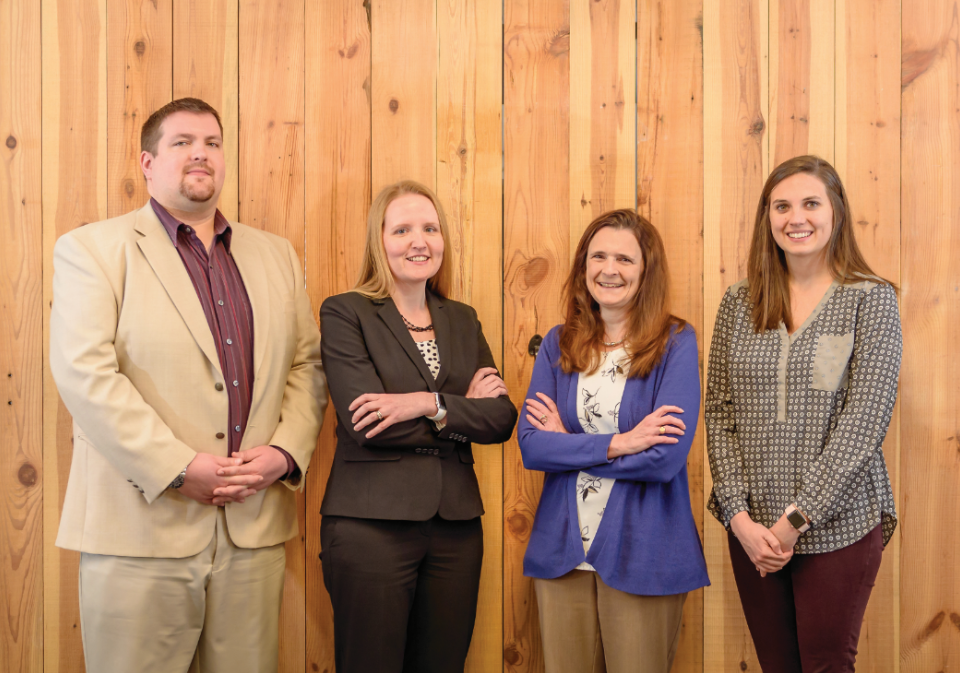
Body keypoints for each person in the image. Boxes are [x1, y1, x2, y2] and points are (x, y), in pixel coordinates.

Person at [49, 98, 327, 673]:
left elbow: (307, 366)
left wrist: (283, 453)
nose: (200, 153)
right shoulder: (93, 250)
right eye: (182, 143)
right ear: (148, 163)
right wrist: (177, 466)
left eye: (213, 143)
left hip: (253, 529)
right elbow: (85, 372)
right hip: (139, 529)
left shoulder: (277, 256)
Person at [705, 155, 900, 672]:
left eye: (811, 203)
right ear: (767, 217)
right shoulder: (739, 302)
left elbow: (864, 421)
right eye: (782, 206)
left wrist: (795, 520)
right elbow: (719, 414)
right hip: (752, 530)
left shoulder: (870, 301)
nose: (797, 217)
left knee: (825, 666)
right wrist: (738, 517)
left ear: (835, 211)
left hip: (838, 524)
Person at [318, 180, 518, 673]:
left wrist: (422, 403)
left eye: (430, 228)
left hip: (455, 528)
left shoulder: (462, 320)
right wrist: (456, 410)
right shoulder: (347, 313)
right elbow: (367, 423)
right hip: (371, 527)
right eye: (402, 229)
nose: (419, 241)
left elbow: (499, 419)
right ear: (378, 240)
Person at [518, 209, 708, 673]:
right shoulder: (558, 343)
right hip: (562, 553)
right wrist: (620, 443)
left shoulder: (675, 342)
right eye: (598, 256)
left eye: (624, 258)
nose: (609, 269)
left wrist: (570, 447)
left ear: (646, 270)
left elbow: (664, 459)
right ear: (584, 266)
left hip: (645, 549)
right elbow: (531, 445)